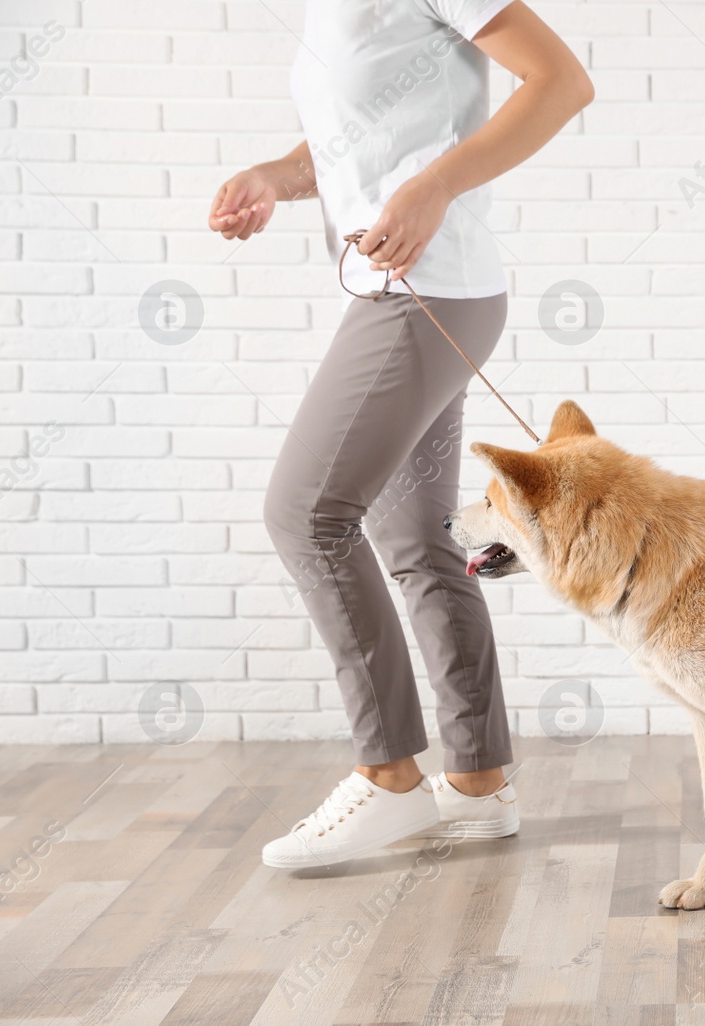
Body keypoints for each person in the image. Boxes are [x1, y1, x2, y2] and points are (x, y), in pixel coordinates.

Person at [206, 0, 592, 868]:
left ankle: (389, 779)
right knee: (416, 539)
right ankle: (480, 782)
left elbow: (562, 84)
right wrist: (277, 173)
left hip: (426, 289)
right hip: (418, 291)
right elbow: (364, 138)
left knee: (305, 514)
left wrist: (438, 185)